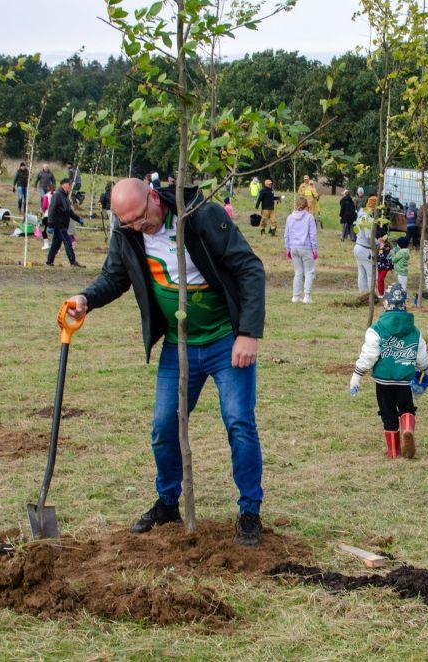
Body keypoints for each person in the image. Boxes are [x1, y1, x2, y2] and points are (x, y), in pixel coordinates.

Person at [64, 177, 267, 546]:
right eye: (128, 224)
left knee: (238, 421)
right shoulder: (127, 232)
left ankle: (250, 512)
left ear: (154, 198)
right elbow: (114, 276)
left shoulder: (201, 216)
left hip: (226, 341)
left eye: (141, 219)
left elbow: (249, 268)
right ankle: (168, 502)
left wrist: (248, 333)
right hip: (178, 346)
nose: (139, 228)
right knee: (162, 427)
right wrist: (85, 299)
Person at [350, 283, 428, 459]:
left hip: (384, 381)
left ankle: (394, 451)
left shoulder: (376, 329)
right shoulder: (414, 330)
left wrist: (357, 375)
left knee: (388, 413)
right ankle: (408, 429)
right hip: (404, 381)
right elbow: (421, 355)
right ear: (404, 303)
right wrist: (424, 369)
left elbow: (369, 355)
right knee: (406, 407)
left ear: (385, 303)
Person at [284, 195, 318, 304]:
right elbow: (312, 235)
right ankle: (307, 296)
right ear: (306, 206)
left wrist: (288, 249)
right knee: (309, 272)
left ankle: (296, 296)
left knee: (298, 272)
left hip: (293, 247)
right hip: (306, 247)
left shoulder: (290, 217)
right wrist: (315, 249)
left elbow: (286, 235)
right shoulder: (309, 217)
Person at [45, 179, 84, 268]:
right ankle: (73, 262)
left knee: (56, 244)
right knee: (68, 242)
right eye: (68, 184)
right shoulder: (57, 195)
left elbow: (69, 211)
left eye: (70, 184)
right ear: (63, 185)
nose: (70, 186)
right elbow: (51, 209)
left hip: (64, 224)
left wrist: (78, 219)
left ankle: (49, 261)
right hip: (59, 224)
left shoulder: (66, 197)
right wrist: (50, 224)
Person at [352, 198, 375, 294]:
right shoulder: (367, 217)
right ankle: (371, 295)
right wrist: (377, 242)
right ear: (374, 208)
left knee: (361, 273)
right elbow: (369, 236)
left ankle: (362, 293)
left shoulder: (360, 215)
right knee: (370, 274)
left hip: (357, 246)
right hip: (365, 248)